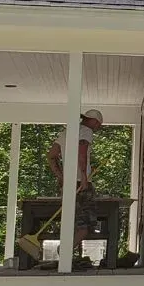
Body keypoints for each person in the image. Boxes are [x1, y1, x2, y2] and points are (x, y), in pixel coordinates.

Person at [47, 108, 102, 258]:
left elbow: (51, 155)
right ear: (95, 121)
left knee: (73, 223)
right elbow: (81, 151)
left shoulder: (66, 132)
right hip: (80, 184)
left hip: (68, 185)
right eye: (98, 125)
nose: (97, 129)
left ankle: (67, 256)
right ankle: (64, 251)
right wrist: (84, 176)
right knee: (85, 226)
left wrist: (60, 176)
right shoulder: (86, 131)